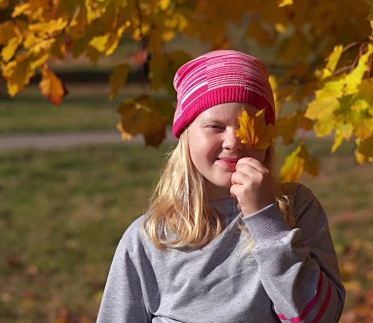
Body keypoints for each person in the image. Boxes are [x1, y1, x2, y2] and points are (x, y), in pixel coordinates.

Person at [97, 50, 346, 322]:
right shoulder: (149, 238)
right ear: (186, 135)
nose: (233, 142)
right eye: (215, 126)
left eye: (246, 126)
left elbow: (320, 317)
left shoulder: (296, 208)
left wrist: (266, 222)